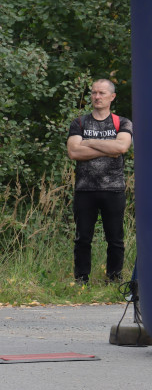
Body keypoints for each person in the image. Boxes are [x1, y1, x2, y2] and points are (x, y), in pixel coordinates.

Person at [67, 79, 133, 285]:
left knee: (115, 239)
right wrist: (108, 146)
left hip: (113, 189)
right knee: (82, 238)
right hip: (85, 189)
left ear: (112, 97)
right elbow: (73, 151)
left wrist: (89, 142)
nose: (97, 97)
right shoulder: (79, 123)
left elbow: (121, 148)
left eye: (102, 93)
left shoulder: (122, 122)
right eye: (94, 93)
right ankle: (81, 281)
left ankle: (114, 280)